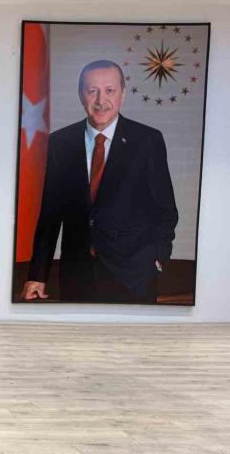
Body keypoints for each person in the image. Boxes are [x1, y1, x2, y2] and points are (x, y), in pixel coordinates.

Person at [22, 59, 178, 303]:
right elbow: (50, 215)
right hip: (77, 275)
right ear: (80, 95)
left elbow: (166, 210)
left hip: (134, 275)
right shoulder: (60, 143)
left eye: (109, 90)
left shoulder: (147, 141)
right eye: (92, 90)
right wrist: (37, 275)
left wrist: (157, 259)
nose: (100, 100)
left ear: (123, 94)